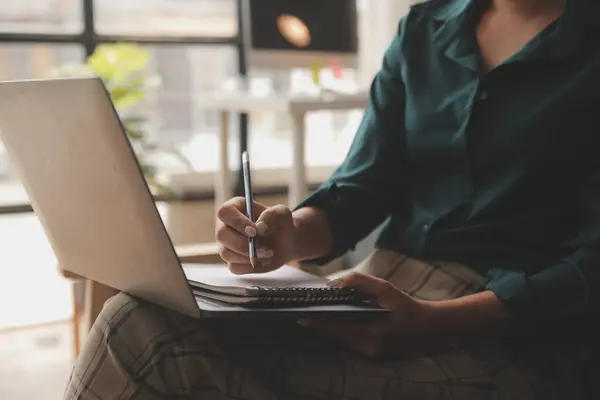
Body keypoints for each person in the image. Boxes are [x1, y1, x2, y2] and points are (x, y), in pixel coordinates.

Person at [65, 0, 600, 398]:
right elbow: (363, 185)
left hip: (510, 332)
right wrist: (289, 231)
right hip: (376, 294)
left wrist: (438, 321)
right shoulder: (423, 28)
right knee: (133, 317)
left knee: (153, 348)